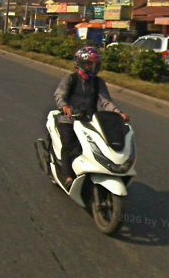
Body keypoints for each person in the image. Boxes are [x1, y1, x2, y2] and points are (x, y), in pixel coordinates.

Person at [53, 46, 129, 186]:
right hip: (69, 119)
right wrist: (64, 106)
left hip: (90, 120)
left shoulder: (98, 82)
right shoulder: (71, 78)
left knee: (101, 144)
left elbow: (106, 101)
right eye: (89, 64)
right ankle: (68, 175)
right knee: (69, 144)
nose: (93, 67)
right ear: (81, 63)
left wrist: (118, 113)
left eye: (95, 64)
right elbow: (59, 95)